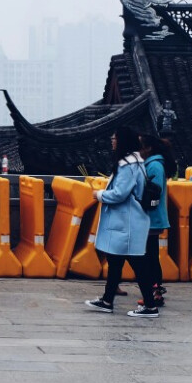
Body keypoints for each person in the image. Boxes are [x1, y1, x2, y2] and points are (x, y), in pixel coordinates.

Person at [84, 127, 158, 318]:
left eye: (115, 137)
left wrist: (99, 194)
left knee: (137, 264)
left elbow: (120, 193)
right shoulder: (136, 163)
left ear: (123, 141)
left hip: (127, 223)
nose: (112, 140)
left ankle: (150, 306)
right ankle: (107, 301)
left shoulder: (127, 165)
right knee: (116, 262)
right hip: (128, 222)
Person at [138, 133, 173, 309]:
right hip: (150, 217)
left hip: (152, 218)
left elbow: (154, 191)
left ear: (148, 148)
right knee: (149, 255)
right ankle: (154, 291)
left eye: (140, 145)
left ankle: (155, 292)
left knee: (150, 256)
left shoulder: (155, 166)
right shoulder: (152, 164)